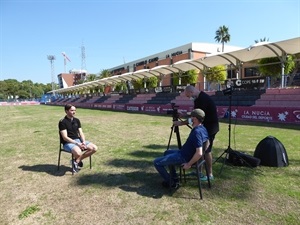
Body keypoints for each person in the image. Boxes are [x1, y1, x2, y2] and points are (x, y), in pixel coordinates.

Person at [154, 109, 209, 188]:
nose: (189, 119)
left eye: (191, 117)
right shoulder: (203, 128)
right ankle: (174, 177)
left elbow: (199, 153)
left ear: (195, 119)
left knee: (156, 162)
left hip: (184, 157)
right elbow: (208, 142)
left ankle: (171, 183)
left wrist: (188, 164)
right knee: (167, 152)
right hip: (183, 153)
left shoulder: (197, 132)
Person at [174, 85, 219, 181]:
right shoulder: (199, 99)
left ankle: (210, 175)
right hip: (204, 127)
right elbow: (196, 114)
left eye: (188, 96)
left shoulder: (202, 99)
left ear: (191, 92)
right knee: (199, 150)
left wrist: (181, 123)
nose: (188, 98)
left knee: (206, 151)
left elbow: (196, 118)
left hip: (210, 128)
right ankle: (199, 171)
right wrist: (184, 114)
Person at [59, 104, 97, 173]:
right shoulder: (62, 122)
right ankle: (77, 160)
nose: (74, 112)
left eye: (75, 110)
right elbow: (65, 137)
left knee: (94, 148)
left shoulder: (77, 120)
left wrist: (84, 142)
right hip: (68, 143)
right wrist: (78, 144)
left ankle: (76, 161)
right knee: (78, 152)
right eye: (72, 110)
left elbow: (81, 133)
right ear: (66, 111)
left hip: (78, 141)